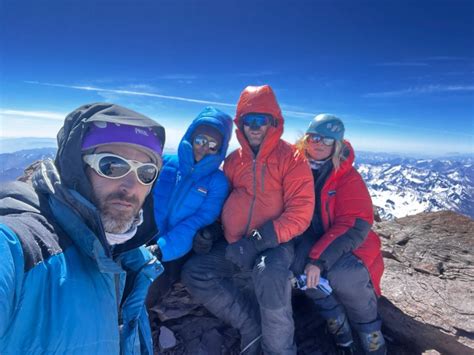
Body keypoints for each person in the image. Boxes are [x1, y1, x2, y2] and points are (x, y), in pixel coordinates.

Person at [0, 103, 166, 354]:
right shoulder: (22, 248)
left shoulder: (130, 258)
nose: (131, 186)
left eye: (146, 172)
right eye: (112, 165)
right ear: (76, 167)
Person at [182, 85, 315, 354]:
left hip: (275, 244)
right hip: (234, 243)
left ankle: (279, 350)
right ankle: (251, 326)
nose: (254, 127)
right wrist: (213, 230)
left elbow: (300, 213)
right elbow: (224, 200)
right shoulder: (233, 161)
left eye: (261, 120)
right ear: (239, 124)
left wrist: (257, 241)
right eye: (248, 121)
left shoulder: (292, 159)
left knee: (269, 275)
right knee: (196, 272)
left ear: (273, 123)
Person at [294, 114, 386, 354]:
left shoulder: (347, 177)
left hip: (349, 243)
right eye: (315, 136)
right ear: (306, 139)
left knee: (346, 275)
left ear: (337, 145)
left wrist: (317, 260)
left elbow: (354, 224)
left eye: (328, 139)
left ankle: (371, 336)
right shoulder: (293, 168)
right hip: (311, 238)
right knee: (300, 269)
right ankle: (338, 325)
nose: (320, 143)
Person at [145, 106, 232, 340]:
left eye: (213, 145)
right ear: (191, 136)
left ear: (220, 149)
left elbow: (198, 221)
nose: (204, 148)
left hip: (173, 250)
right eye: (201, 139)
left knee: (146, 286)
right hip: (143, 236)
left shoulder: (217, 182)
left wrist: (161, 248)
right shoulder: (165, 163)